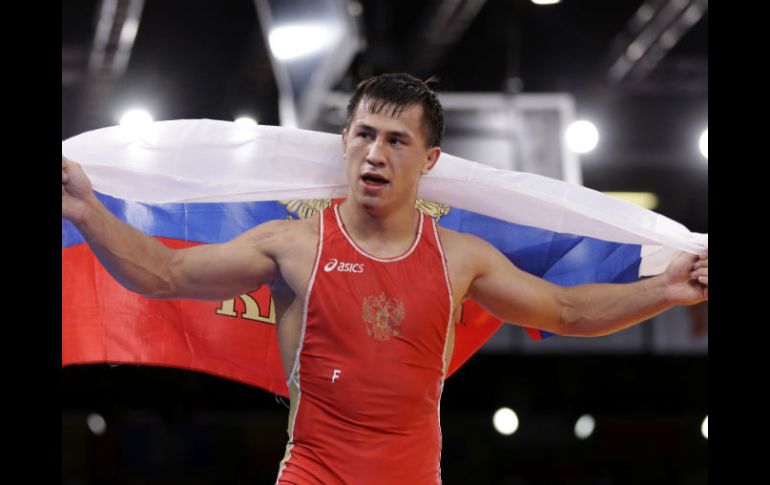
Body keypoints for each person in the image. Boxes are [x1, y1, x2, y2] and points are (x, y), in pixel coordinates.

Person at [61, 72, 708, 484]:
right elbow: (166, 273)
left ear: (429, 160)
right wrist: (87, 210)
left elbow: (565, 310)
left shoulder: (460, 257)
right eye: (364, 134)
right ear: (343, 142)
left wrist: (665, 290)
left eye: (396, 140)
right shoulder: (294, 245)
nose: (375, 153)